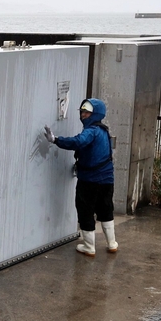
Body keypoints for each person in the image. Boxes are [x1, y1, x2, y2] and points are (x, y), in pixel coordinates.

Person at [44, 98, 118, 256]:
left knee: (85, 210)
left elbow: (78, 142)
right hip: (107, 180)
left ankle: (89, 247)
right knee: (106, 209)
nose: (83, 115)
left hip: (90, 180)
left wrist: (56, 140)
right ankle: (112, 243)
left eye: (87, 112)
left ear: (95, 113)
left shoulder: (91, 131)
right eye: (82, 111)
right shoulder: (104, 131)